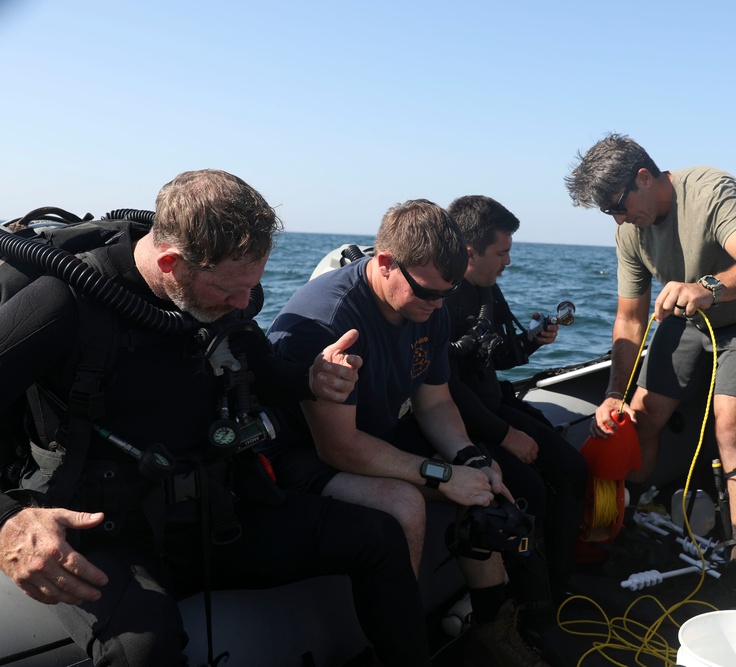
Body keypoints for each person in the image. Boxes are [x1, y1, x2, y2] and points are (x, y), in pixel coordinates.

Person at [0, 170, 429, 666]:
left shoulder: (220, 299)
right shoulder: (67, 302)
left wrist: (312, 380)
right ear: (170, 263)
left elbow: (267, 375)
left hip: (218, 513)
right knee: (144, 650)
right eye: (229, 291)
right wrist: (10, 519)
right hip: (109, 531)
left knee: (377, 538)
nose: (245, 305)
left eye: (252, 287)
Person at [265, 198, 549, 667]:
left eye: (446, 294)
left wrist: (468, 458)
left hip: (376, 434)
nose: (438, 306)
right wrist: (441, 475)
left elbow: (434, 401)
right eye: (428, 293)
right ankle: (403, 650)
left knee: (484, 480)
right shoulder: (327, 321)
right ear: (384, 263)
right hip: (302, 453)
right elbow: (338, 446)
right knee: (405, 505)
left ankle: (492, 627)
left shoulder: (427, 307)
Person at [564, 132, 736, 579]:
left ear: (644, 177)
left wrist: (710, 288)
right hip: (687, 315)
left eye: (618, 205)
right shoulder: (630, 231)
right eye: (608, 212)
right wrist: (615, 392)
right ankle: (635, 515)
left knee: (730, 426)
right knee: (641, 413)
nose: (618, 219)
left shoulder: (712, 190)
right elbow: (630, 319)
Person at [445, 194, 588, 618]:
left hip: (496, 407)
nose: (508, 261)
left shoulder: (487, 289)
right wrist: (506, 436)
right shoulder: (441, 297)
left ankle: (563, 585)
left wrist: (531, 341)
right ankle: (533, 609)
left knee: (573, 469)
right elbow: (444, 391)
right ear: (469, 252)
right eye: (502, 252)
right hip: (467, 422)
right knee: (530, 493)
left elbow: (498, 356)